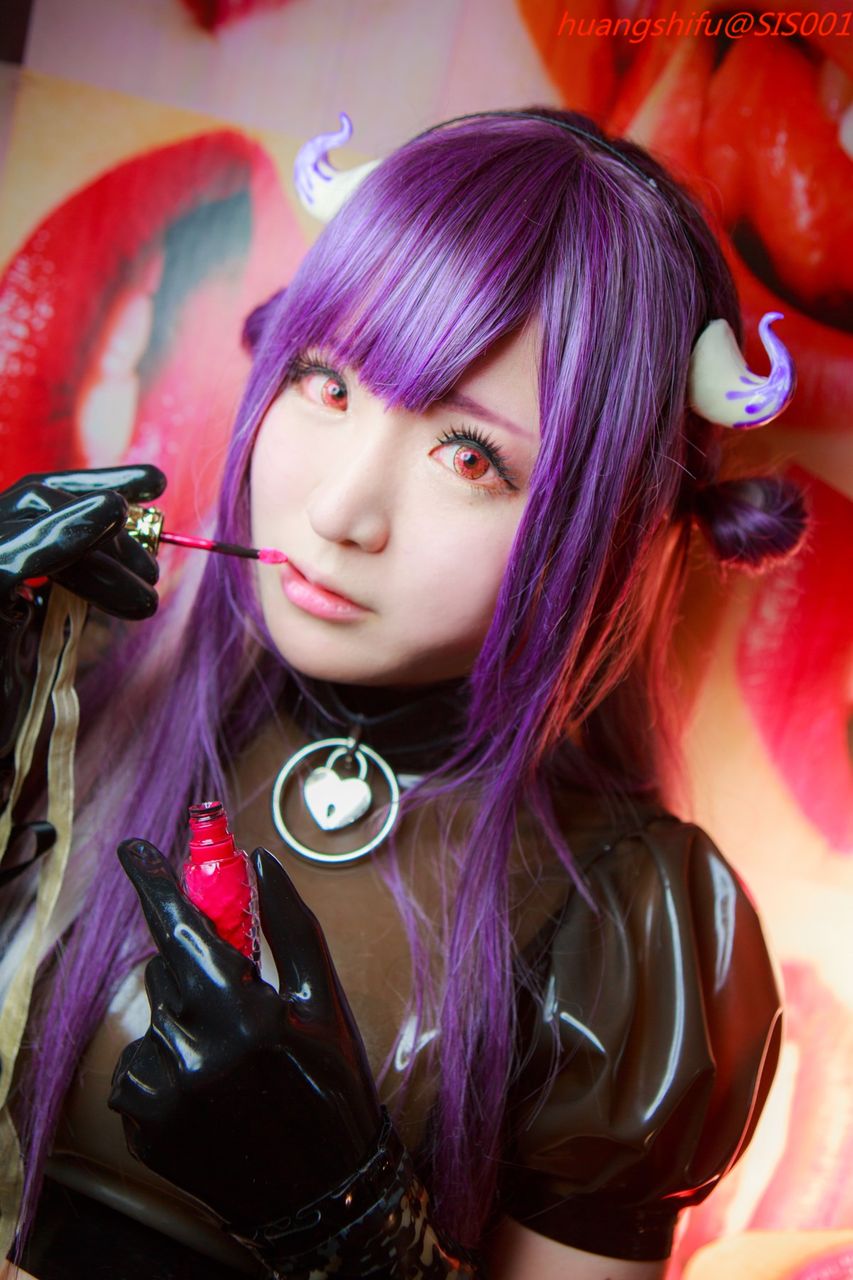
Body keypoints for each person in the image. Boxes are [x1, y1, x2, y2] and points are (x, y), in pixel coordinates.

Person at [0, 108, 806, 1279]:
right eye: (326, 383)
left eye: (468, 456)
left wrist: (348, 1218)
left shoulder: (633, 923)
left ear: (608, 531)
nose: (340, 509)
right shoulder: (79, 687)